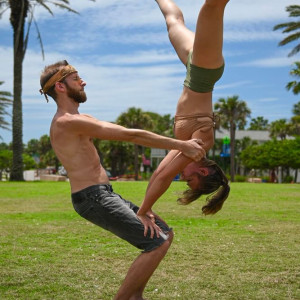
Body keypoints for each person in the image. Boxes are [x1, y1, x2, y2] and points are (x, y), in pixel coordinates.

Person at [39, 60, 206, 300]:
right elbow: (130, 135)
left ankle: (135, 296)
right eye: (76, 79)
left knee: (164, 233)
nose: (83, 81)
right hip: (93, 198)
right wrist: (182, 145)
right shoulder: (68, 122)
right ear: (61, 87)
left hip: (104, 194)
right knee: (156, 242)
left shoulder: (78, 118)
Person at [136, 0, 230, 235]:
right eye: (190, 181)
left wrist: (145, 208)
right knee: (214, 5)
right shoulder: (198, 146)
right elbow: (166, 176)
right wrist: (144, 210)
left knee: (173, 21)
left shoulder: (185, 149)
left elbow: (159, 174)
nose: (183, 178)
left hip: (192, 68)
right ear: (203, 171)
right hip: (205, 70)